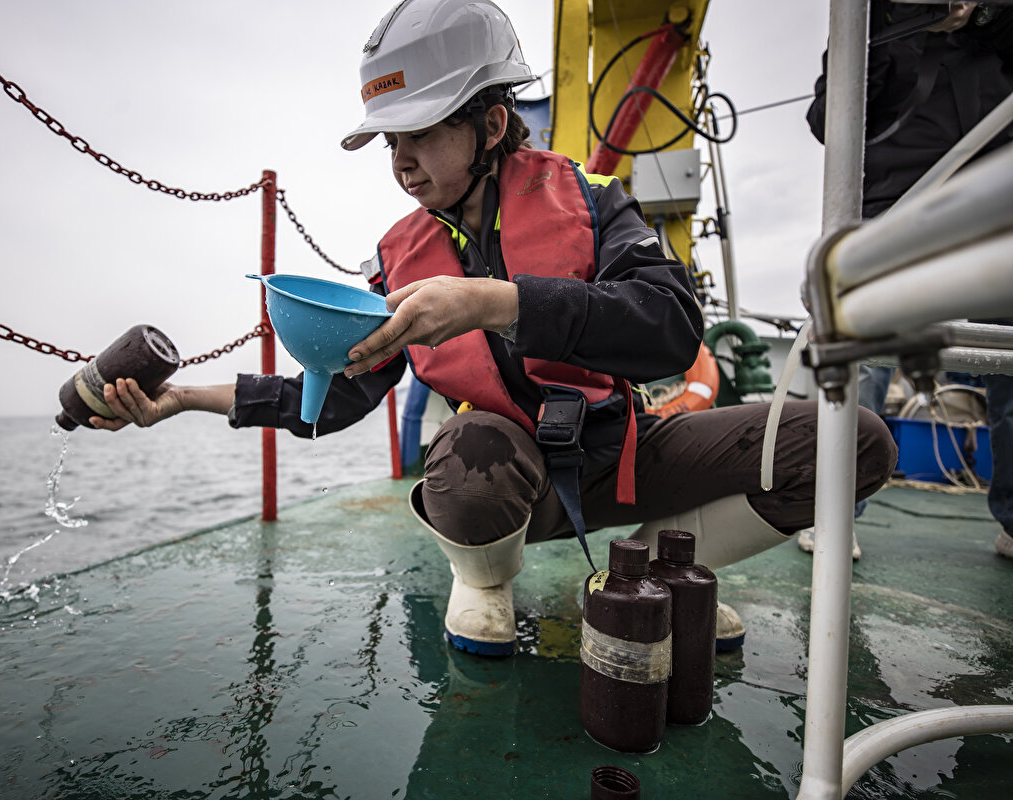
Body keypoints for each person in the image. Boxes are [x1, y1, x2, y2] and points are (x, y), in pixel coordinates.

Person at [93, 0, 896, 657]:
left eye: (421, 133)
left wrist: (498, 302)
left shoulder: (591, 197)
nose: (401, 161)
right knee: (466, 455)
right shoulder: (398, 256)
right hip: (504, 474)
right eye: (390, 141)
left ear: (489, 123)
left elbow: (670, 322)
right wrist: (182, 399)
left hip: (624, 454)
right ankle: (483, 583)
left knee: (850, 441)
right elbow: (338, 398)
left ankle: (647, 570)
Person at [804, 0, 1013, 560]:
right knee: (858, 356)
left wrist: (985, 16)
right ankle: (833, 513)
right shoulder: (872, 17)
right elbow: (830, 121)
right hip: (895, 205)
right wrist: (890, 31)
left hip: (996, 200)